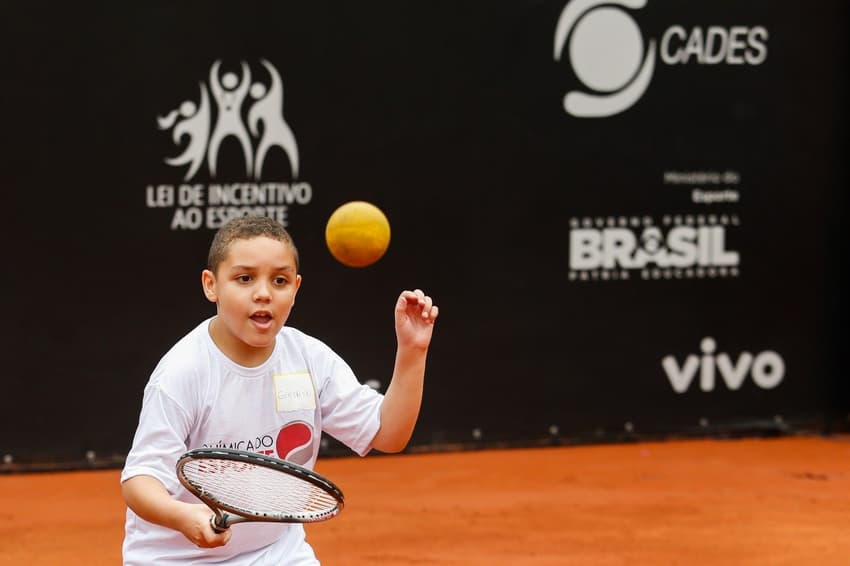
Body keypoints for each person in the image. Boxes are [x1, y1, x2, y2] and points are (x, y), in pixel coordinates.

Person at [120, 214, 439, 565]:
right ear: (211, 285)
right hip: (175, 560)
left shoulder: (309, 358)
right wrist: (183, 516)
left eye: (280, 281)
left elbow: (388, 434)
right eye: (244, 278)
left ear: (296, 289)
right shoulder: (183, 371)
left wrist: (413, 350)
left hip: (276, 553)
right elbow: (139, 481)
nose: (263, 293)